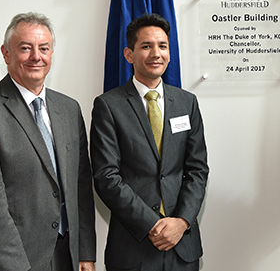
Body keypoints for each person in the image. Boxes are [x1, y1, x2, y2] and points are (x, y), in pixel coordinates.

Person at [0, 12, 96, 271]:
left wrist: (84, 253)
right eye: (25, 48)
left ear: (52, 54)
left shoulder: (68, 109)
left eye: (44, 48)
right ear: (6, 53)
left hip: (66, 257)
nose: (36, 56)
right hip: (9, 262)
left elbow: (80, 187)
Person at [90, 13, 209, 271]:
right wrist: (152, 224)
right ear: (129, 54)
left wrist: (181, 222)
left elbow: (197, 170)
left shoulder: (187, 103)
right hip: (134, 247)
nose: (156, 53)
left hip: (183, 247)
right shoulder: (108, 106)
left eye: (162, 46)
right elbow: (106, 177)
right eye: (146, 46)